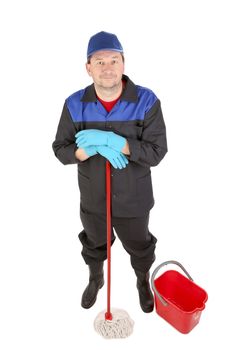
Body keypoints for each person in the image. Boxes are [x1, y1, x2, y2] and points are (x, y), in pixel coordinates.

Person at [52, 31, 167, 313]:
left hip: (134, 198)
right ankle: (96, 278)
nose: (107, 68)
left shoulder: (147, 101)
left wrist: (117, 142)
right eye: (99, 61)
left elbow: (156, 152)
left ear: (123, 63)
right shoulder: (73, 104)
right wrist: (88, 149)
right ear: (88, 67)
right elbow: (60, 149)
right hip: (94, 198)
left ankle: (142, 282)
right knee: (94, 244)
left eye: (113, 60)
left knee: (140, 247)